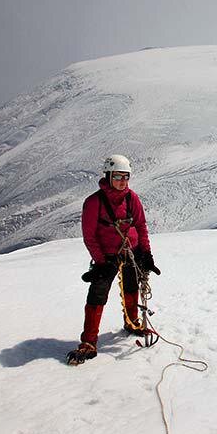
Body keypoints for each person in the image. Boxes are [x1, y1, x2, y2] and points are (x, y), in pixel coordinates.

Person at [67, 154, 160, 365]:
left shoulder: (131, 198)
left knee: (131, 287)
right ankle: (89, 341)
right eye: (118, 177)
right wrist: (100, 262)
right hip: (106, 256)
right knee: (97, 296)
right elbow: (90, 237)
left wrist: (146, 254)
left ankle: (132, 322)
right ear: (108, 176)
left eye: (126, 177)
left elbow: (141, 227)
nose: (122, 182)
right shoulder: (94, 203)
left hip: (131, 252)